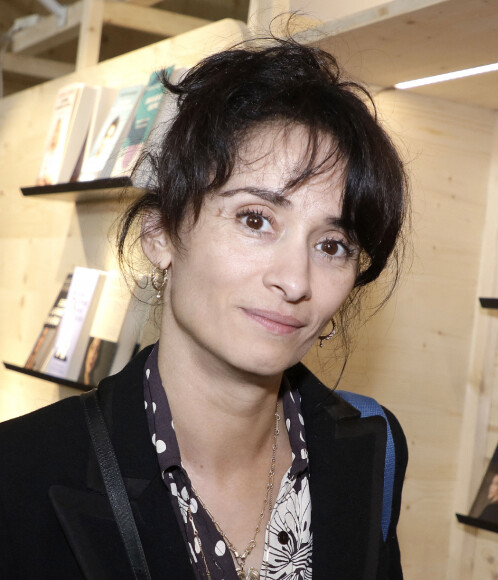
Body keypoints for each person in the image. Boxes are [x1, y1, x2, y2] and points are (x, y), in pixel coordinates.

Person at [0, 35, 408, 579]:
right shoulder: (20, 471)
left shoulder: (371, 445)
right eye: (255, 219)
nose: (294, 280)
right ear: (160, 233)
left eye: (332, 245)